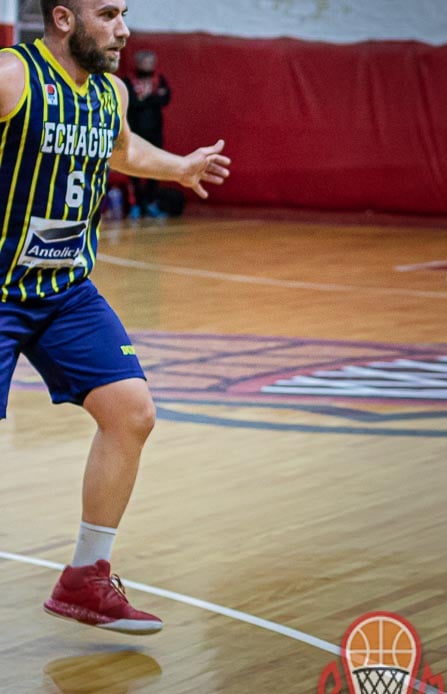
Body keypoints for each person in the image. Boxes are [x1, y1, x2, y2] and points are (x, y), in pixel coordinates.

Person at [0, 0, 230, 634]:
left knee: (131, 412)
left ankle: (86, 579)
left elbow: (123, 150)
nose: (124, 29)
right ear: (65, 19)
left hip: (65, 289)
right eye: (108, 14)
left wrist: (180, 167)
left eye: (125, 12)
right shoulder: (12, 78)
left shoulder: (111, 93)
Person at [124, 49, 170, 218]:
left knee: (155, 167)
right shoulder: (129, 80)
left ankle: (151, 202)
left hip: (155, 131)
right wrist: (152, 98)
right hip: (135, 131)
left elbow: (165, 98)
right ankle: (136, 204)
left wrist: (147, 99)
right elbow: (132, 103)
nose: (149, 65)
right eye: (146, 62)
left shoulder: (159, 79)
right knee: (134, 168)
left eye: (152, 62)